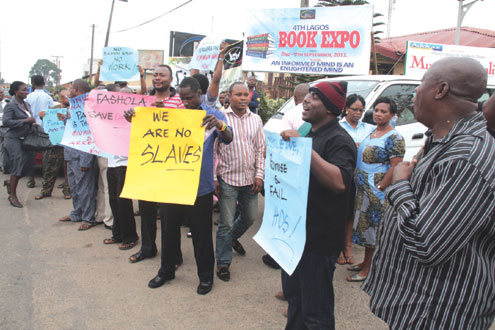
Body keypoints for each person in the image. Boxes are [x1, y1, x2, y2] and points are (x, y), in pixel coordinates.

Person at [363, 57, 495, 329]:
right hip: (420, 304)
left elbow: (426, 243)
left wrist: (400, 184)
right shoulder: (443, 141)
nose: (415, 92)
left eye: (422, 83)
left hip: (436, 312)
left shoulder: (465, 157)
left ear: (440, 90)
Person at [280, 81, 357, 329]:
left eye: (314, 97)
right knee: (296, 301)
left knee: (316, 312)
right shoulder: (307, 130)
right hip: (294, 235)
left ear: (330, 109)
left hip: (318, 240)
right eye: (308, 95)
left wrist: (304, 148)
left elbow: (339, 183)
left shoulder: (339, 140)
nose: (306, 100)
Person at [147, 77, 233, 295]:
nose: (185, 102)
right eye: (182, 98)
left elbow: (229, 138)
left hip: (199, 187)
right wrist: (136, 117)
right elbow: (148, 131)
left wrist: (220, 125)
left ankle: (205, 277)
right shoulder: (173, 113)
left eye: (190, 98)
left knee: (202, 235)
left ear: (200, 94)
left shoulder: (212, 115)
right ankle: (166, 271)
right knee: (168, 232)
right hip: (172, 185)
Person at [124, 64, 185, 264]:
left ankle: (173, 254)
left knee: (169, 214)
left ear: (171, 79)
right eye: (156, 75)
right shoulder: (144, 100)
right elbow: (141, 129)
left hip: (170, 165)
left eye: (162, 75)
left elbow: (186, 128)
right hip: (146, 163)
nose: (158, 78)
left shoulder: (179, 101)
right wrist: (131, 118)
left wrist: (167, 115)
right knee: (146, 209)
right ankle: (148, 248)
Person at [347, 97, 404, 282]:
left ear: (393, 115)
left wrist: (380, 187)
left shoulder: (394, 137)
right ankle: (365, 263)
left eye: (384, 111)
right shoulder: (371, 132)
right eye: (377, 110)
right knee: (364, 229)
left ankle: (368, 270)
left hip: (376, 191)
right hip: (362, 189)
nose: (378, 114)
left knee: (373, 230)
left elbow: (396, 166)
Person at [215, 82, 265, 282]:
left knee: (250, 217)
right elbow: (212, 149)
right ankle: (223, 262)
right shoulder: (220, 117)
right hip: (227, 177)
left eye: (246, 95)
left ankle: (231, 239)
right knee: (225, 223)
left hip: (250, 179)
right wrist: (213, 177)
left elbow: (260, 148)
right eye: (239, 94)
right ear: (229, 96)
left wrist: (259, 174)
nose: (243, 98)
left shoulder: (256, 119)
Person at [337, 94, 375, 266]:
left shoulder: (368, 128)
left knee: (352, 212)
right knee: (340, 211)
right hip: (341, 174)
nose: (358, 113)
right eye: (354, 109)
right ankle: (337, 247)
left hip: (360, 176)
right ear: (346, 108)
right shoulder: (338, 127)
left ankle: (347, 246)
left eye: (361, 110)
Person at [58, 79, 99, 231]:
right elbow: (72, 129)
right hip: (70, 153)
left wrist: (85, 160)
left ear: (76, 90)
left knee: (85, 189)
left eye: (70, 89)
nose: (68, 92)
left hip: (82, 156)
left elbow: (89, 134)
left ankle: (88, 218)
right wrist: (65, 119)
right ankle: (77, 213)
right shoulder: (74, 107)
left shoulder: (88, 107)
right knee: (75, 187)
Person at [103, 87, 139, 250]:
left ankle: (130, 236)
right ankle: (117, 234)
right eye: (121, 95)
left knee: (123, 202)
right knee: (113, 201)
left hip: (126, 163)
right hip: (112, 162)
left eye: (127, 96)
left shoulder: (137, 116)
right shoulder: (111, 115)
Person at [2, 81, 36, 208]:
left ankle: (10, 182)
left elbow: (30, 120)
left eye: (27, 90)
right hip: (13, 139)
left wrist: (33, 123)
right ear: (16, 91)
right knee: (18, 163)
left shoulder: (26, 104)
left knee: (28, 166)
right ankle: (13, 196)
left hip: (26, 139)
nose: (25, 92)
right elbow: (6, 122)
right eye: (23, 90)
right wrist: (25, 121)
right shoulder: (11, 105)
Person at [35, 90, 71, 200]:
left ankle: (67, 191)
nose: (67, 98)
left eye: (69, 96)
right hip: (57, 143)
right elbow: (45, 118)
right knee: (51, 167)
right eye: (65, 96)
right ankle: (46, 191)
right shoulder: (54, 109)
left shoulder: (75, 110)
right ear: (60, 99)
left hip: (70, 144)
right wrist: (42, 115)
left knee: (69, 169)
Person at [25, 75, 54, 188]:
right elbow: (51, 112)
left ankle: (30, 180)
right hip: (45, 129)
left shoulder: (28, 97)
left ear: (32, 83)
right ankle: (45, 181)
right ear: (44, 83)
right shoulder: (48, 98)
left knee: (30, 155)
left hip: (31, 128)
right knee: (46, 157)